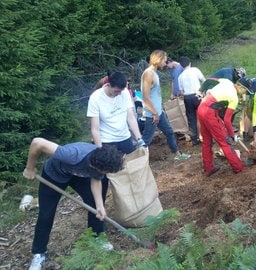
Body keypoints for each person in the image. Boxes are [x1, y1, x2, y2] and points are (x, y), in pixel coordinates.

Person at [23, 137, 125, 270]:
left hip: (78, 176)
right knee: (46, 214)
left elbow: (97, 180)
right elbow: (37, 142)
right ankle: (38, 253)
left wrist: (100, 206)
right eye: (105, 172)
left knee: (95, 206)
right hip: (54, 175)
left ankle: (97, 238)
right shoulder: (72, 154)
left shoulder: (102, 161)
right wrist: (30, 168)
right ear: (95, 165)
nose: (104, 173)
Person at [87, 70, 144, 203]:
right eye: (116, 91)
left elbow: (130, 117)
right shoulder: (96, 98)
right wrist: (100, 149)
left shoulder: (123, 93)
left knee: (130, 172)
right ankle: (99, 209)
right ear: (109, 85)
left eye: (120, 91)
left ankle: (135, 202)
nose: (118, 94)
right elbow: (94, 128)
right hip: (106, 142)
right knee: (104, 179)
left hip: (124, 139)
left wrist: (139, 138)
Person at [141, 50, 191, 161]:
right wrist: (154, 113)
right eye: (164, 59)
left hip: (158, 112)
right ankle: (138, 162)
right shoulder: (148, 74)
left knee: (169, 131)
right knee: (146, 140)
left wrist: (158, 111)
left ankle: (177, 154)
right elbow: (145, 97)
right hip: (152, 115)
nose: (166, 61)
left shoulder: (154, 72)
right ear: (158, 59)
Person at [197, 78, 249, 176]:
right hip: (209, 113)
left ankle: (209, 168)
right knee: (224, 142)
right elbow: (227, 120)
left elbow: (208, 80)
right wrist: (232, 135)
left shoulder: (226, 81)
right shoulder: (234, 98)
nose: (244, 93)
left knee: (207, 141)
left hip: (201, 108)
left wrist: (200, 90)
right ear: (241, 87)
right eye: (245, 91)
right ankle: (239, 168)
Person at [177, 56, 206, 146]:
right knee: (203, 116)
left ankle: (194, 139)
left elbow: (181, 92)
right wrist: (202, 91)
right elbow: (204, 81)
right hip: (197, 95)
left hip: (187, 98)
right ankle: (206, 137)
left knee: (191, 118)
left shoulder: (180, 76)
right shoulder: (195, 70)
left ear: (181, 66)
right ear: (190, 63)